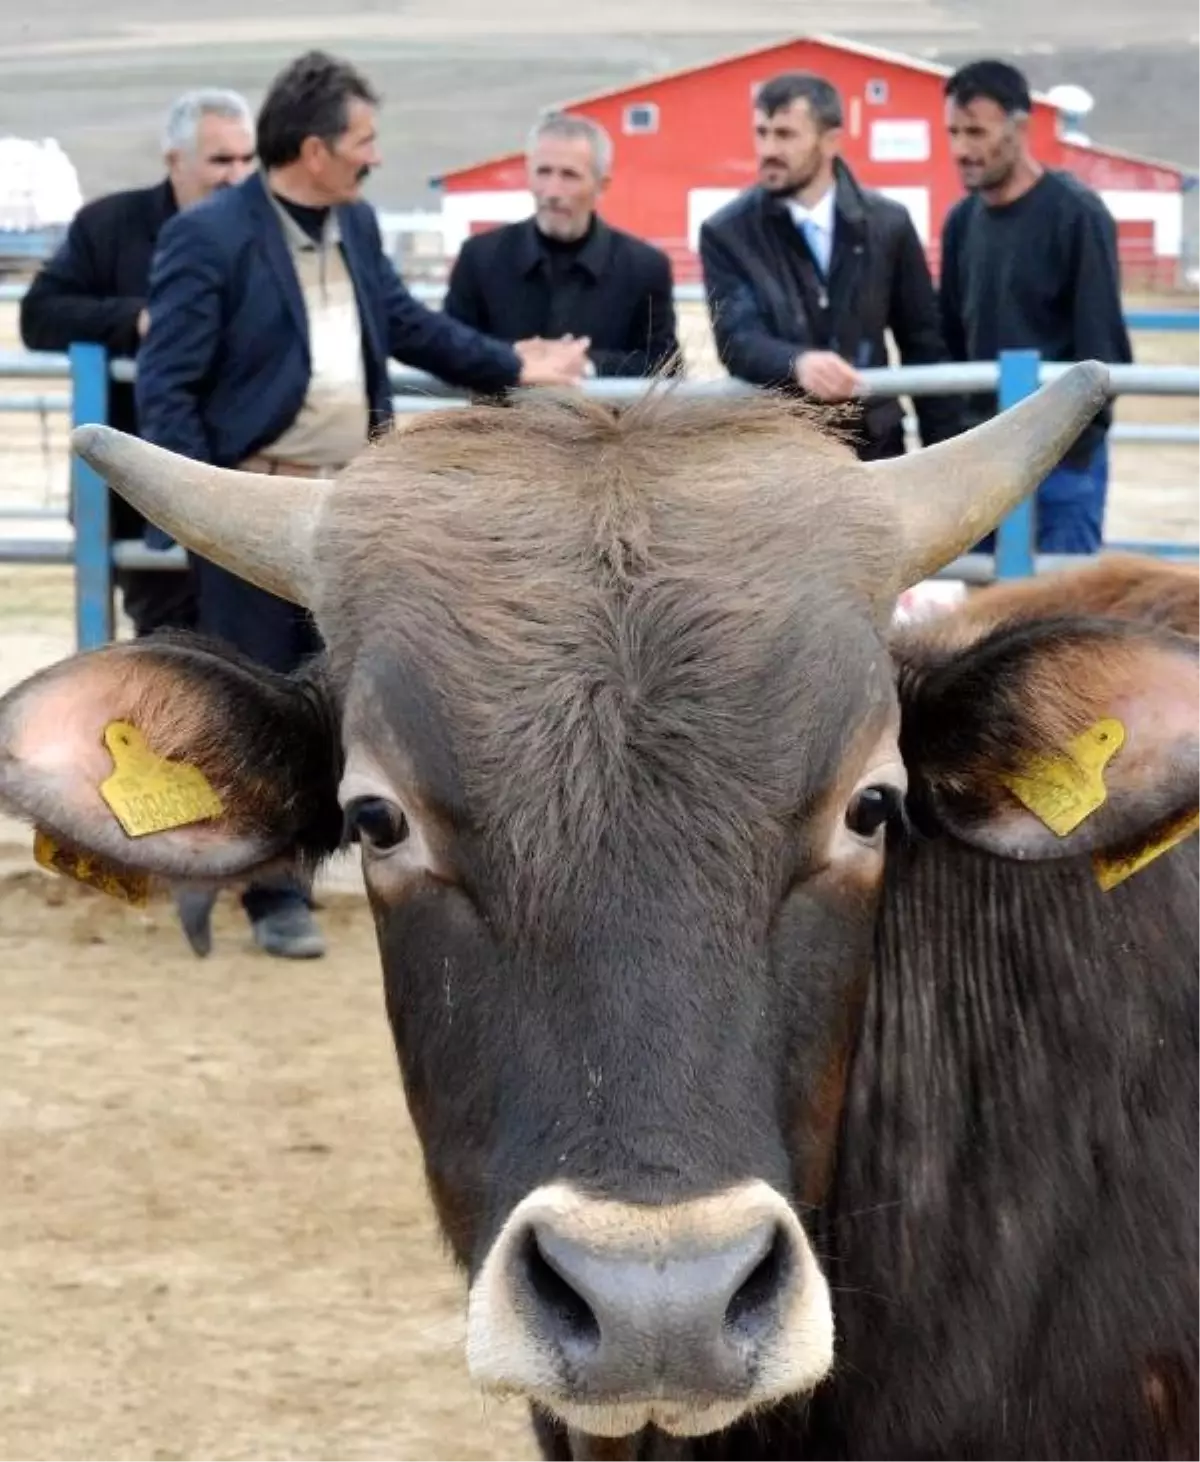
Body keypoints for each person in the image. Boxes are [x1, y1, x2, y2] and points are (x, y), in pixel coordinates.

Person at [135, 50, 587, 962]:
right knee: (254, 706)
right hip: (256, 509)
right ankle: (266, 899)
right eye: (364, 141)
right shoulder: (212, 236)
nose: (375, 157)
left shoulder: (360, 225)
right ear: (314, 148)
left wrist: (514, 365)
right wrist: (201, 511)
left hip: (350, 513)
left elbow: (409, 325)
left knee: (342, 701)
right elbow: (167, 384)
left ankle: (246, 874)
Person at [19, 88, 257, 636]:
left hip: (245, 483)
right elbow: (40, 316)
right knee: (171, 653)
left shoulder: (265, 232)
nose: (237, 176)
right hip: (139, 490)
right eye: (221, 160)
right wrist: (139, 320)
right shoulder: (109, 227)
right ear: (174, 159)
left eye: (248, 160)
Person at [698, 71, 961, 461]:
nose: (768, 148)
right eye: (762, 132)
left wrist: (946, 461)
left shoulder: (888, 223)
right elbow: (737, 339)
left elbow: (923, 343)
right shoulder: (726, 232)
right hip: (777, 457)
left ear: (831, 140)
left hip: (873, 449)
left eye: (785, 134)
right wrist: (798, 363)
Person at [939, 59, 1132, 554]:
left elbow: (1102, 348)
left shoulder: (1077, 216)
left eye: (976, 131)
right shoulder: (961, 223)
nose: (961, 149)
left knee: (1060, 613)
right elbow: (952, 341)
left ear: (1019, 127)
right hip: (982, 465)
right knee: (981, 621)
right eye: (953, 132)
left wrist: (1063, 448)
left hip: (1062, 465)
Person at [443, 111, 680, 378]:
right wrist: (513, 359)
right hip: (501, 418)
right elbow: (448, 348)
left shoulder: (644, 268)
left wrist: (588, 365)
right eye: (543, 172)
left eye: (569, 175)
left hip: (605, 419)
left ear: (602, 185)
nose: (553, 191)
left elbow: (666, 366)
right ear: (528, 176)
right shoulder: (479, 258)